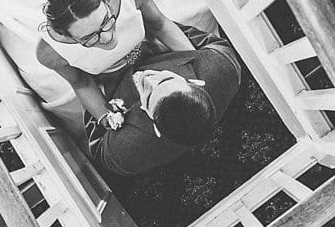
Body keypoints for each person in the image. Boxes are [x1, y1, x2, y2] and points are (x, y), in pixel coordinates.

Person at [35, 0, 194, 131]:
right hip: (116, 84)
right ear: (69, 37)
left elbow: (159, 24)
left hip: (156, 52)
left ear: (105, 0)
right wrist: (107, 117)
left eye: (106, 21)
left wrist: (195, 59)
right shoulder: (50, 54)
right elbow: (81, 83)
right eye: (90, 37)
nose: (107, 38)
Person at [86, 24, 243, 178]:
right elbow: (164, 26)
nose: (146, 79)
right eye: (164, 80)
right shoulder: (222, 65)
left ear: (155, 128)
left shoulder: (124, 153)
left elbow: (98, 146)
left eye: (148, 97)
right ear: (195, 82)